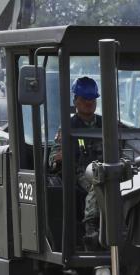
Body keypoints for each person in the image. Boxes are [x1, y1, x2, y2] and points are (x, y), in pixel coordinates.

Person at [49, 76, 103, 244]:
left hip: (107, 167)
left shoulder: (106, 123)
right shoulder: (68, 125)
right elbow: (53, 157)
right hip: (80, 172)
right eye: (84, 99)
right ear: (76, 101)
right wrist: (62, 155)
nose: (89, 103)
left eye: (92, 100)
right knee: (98, 184)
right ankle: (91, 227)